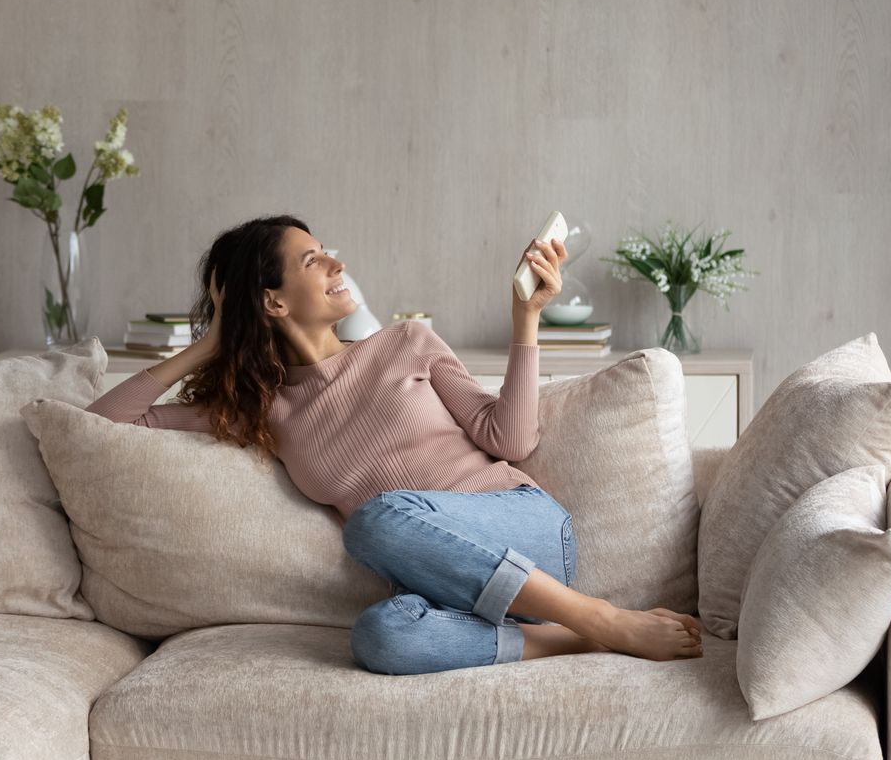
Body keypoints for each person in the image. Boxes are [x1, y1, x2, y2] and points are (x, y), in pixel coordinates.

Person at [85, 213, 703, 675]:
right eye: (312, 261)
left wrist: (526, 318)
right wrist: (208, 345)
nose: (336, 264)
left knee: (376, 520)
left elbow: (509, 437)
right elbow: (106, 424)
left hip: (528, 530)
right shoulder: (262, 410)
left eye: (328, 253)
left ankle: (600, 615)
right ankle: (579, 638)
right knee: (379, 639)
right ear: (271, 301)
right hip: (445, 585)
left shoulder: (406, 342)